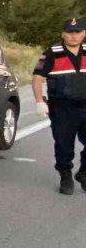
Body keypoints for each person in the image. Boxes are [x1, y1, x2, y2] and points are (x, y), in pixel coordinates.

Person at [32, 17, 86, 194]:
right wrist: (40, 101)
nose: (73, 36)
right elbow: (37, 78)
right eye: (70, 32)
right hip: (63, 109)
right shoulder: (51, 53)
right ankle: (65, 175)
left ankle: (84, 173)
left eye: (77, 32)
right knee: (64, 145)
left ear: (84, 34)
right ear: (63, 34)